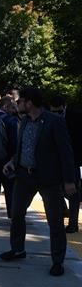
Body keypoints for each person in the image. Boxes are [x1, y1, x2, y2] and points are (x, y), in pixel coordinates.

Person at [0, 87, 77, 277]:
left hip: (48, 178)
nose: (18, 104)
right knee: (16, 213)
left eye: (20, 101)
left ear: (30, 102)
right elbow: (23, 147)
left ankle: (57, 261)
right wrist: (12, 162)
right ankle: (18, 249)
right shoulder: (25, 121)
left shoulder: (54, 122)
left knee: (55, 221)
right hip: (24, 175)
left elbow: (66, 152)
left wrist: (69, 180)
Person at [49, 94, 81, 233]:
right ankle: (63, 211)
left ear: (65, 106)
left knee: (73, 192)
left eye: (59, 111)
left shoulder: (76, 116)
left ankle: (73, 223)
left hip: (73, 158)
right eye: (54, 112)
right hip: (55, 159)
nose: (56, 114)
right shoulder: (49, 117)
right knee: (54, 189)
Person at [0, 96, 18, 221]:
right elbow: (14, 142)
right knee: (9, 189)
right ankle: (11, 216)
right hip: (7, 160)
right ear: (5, 106)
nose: (14, 110)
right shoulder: (11, 121)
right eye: (12, 107)